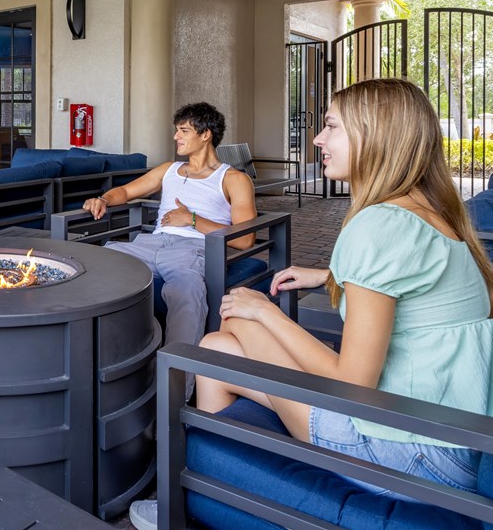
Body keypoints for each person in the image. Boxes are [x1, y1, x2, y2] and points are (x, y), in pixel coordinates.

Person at [152, 78, 493, 527]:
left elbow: (353, 383)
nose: (317, 138)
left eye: (331, 126)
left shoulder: (377, 225)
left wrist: (268, 313)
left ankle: (197, 497)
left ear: (375, 134)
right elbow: (420, 290)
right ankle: (214, 494)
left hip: (406, 448)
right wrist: (334, 276)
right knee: (217, 344)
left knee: (233, 327)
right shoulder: (434, 212)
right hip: (454, 440)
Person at [81, 102, 257, 360]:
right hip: (150, 244)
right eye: (177, 130)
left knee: (186, 293)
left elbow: (244, 239)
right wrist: (104, 199)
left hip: (193, 250)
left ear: (205, 134)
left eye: (184, 131)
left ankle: (175, 386)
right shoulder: (169, 170)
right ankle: (105, 358)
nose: (176, 136)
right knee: (99, 262)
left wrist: (193, 219)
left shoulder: (233, 179)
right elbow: (127, 191)